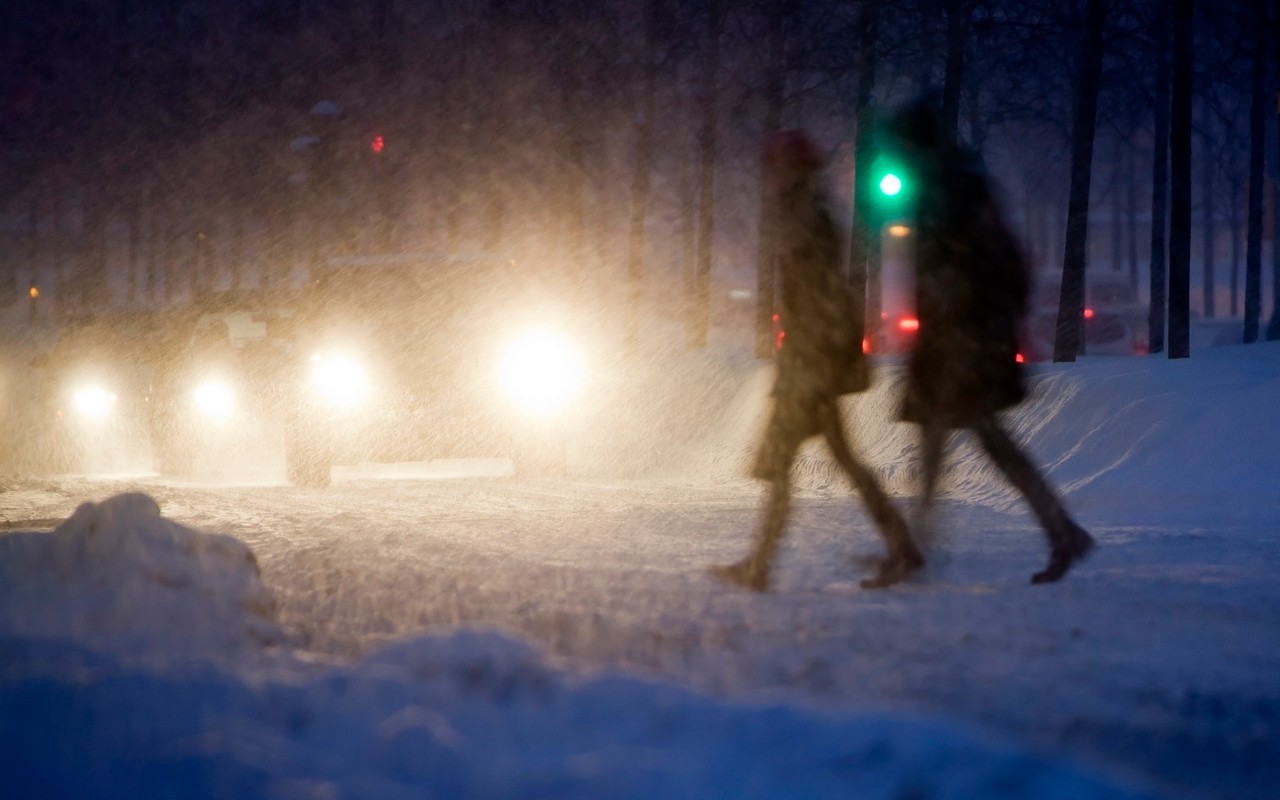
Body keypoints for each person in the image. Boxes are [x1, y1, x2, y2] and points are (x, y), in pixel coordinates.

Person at [878, 96, 1094, 586]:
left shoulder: (948, 185)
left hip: (962, 337)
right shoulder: (953, 179)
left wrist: (958, 318)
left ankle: (918, 551)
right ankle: (1058, 532)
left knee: (963, 438)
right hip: (962, 334)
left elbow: (961, 263)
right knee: (972, 439)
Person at [710, 130, 922, 592]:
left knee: (787, 461)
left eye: (778, 166)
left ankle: (761, 564)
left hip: (809, 364)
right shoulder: (807, 211)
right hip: (811, 360)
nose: (770, 175)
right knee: (836, 460)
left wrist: (809, 354)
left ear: (794, 170)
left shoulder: (803, 214)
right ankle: (900, 547)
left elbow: (818, 292)